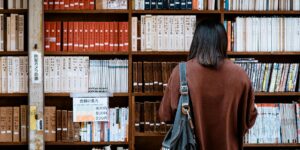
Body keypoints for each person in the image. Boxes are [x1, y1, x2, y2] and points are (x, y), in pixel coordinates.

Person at [159, 19, 257, 150]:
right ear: (223, 42)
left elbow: (165, 115)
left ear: (196, 42)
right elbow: (249, 119)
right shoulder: (240, 76)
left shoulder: (181, 72)